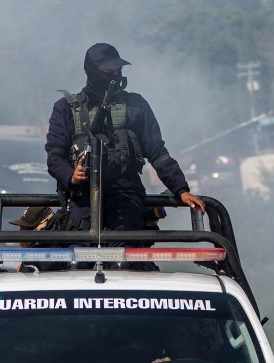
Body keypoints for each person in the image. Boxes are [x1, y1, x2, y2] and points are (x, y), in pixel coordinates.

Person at [45, 43, 205, 236]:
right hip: (82, 199)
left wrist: (180, 189)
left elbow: (158, 152)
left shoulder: (135, 105)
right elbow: (54, 156)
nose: (116, 75)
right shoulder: (66, 108)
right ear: (93, 71)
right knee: (80, 260)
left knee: (126, 260)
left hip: (126, 198)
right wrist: (71, 176)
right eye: (109, 70)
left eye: (118, 69)